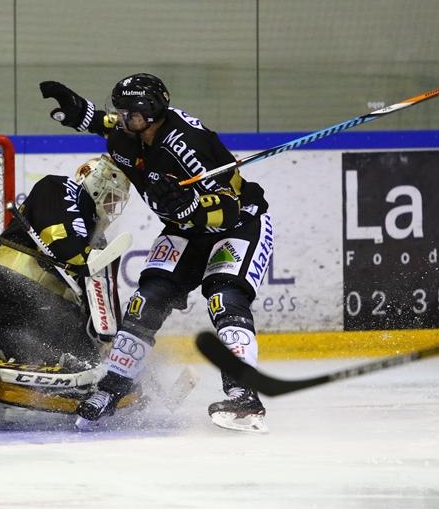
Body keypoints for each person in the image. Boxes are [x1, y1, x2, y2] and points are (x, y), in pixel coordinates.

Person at [40, 74, 273, 432]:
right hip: (185, 231)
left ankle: (244, 395)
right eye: (121, 112)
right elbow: (105, 123)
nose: (123, 119)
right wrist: (80, 113)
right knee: (146, 300)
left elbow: (230, 208)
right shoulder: (128, 134)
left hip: (238, 225)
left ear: (151, 114)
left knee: (225, 299)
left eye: (130, 114)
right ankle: (114, 386)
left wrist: (191, 206)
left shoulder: (187, 144)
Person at [0, 156, 134, 431]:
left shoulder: (95, 240)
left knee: (82, 361)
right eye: (111, 198)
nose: (112, 207)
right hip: (5, 291)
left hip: (31, 312)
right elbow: (64, 246)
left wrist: (109, 344)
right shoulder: (59, 188)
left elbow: (97, 295)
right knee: (85, 363)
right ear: (96, 185)